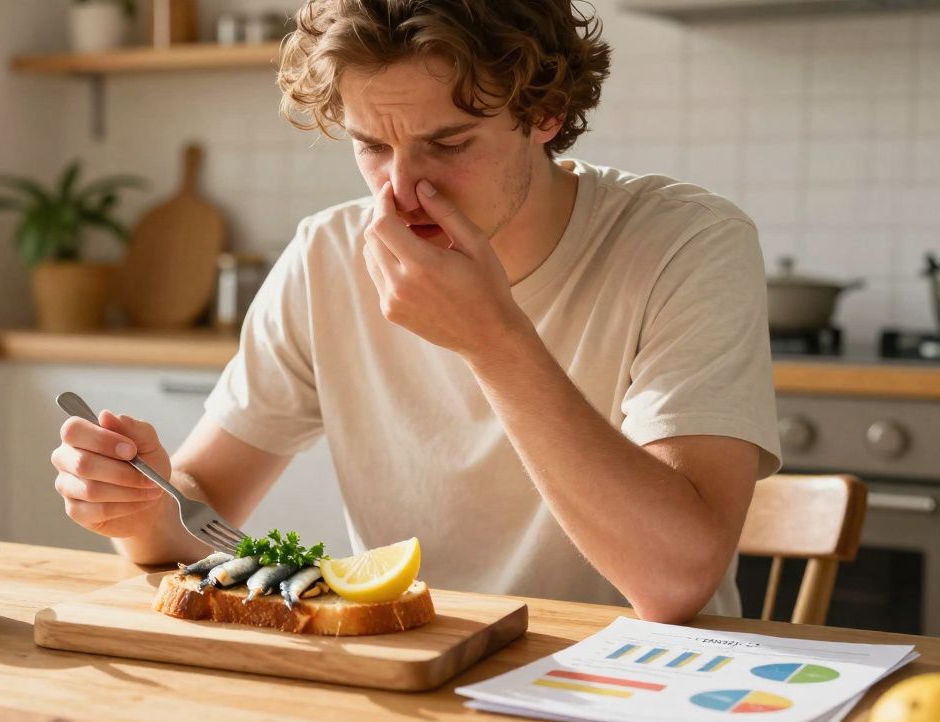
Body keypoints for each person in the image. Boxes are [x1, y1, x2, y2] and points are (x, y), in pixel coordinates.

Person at [50, 0, 781, 624]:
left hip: (642, 689)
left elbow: (676, 582)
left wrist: (493, 340)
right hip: (415, 680)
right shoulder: (327, 257)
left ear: (546, 112)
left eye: (449, 144)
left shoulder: (687, 244)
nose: (400, 190)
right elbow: (201, 501)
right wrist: (141, 506)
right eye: (372, 145)